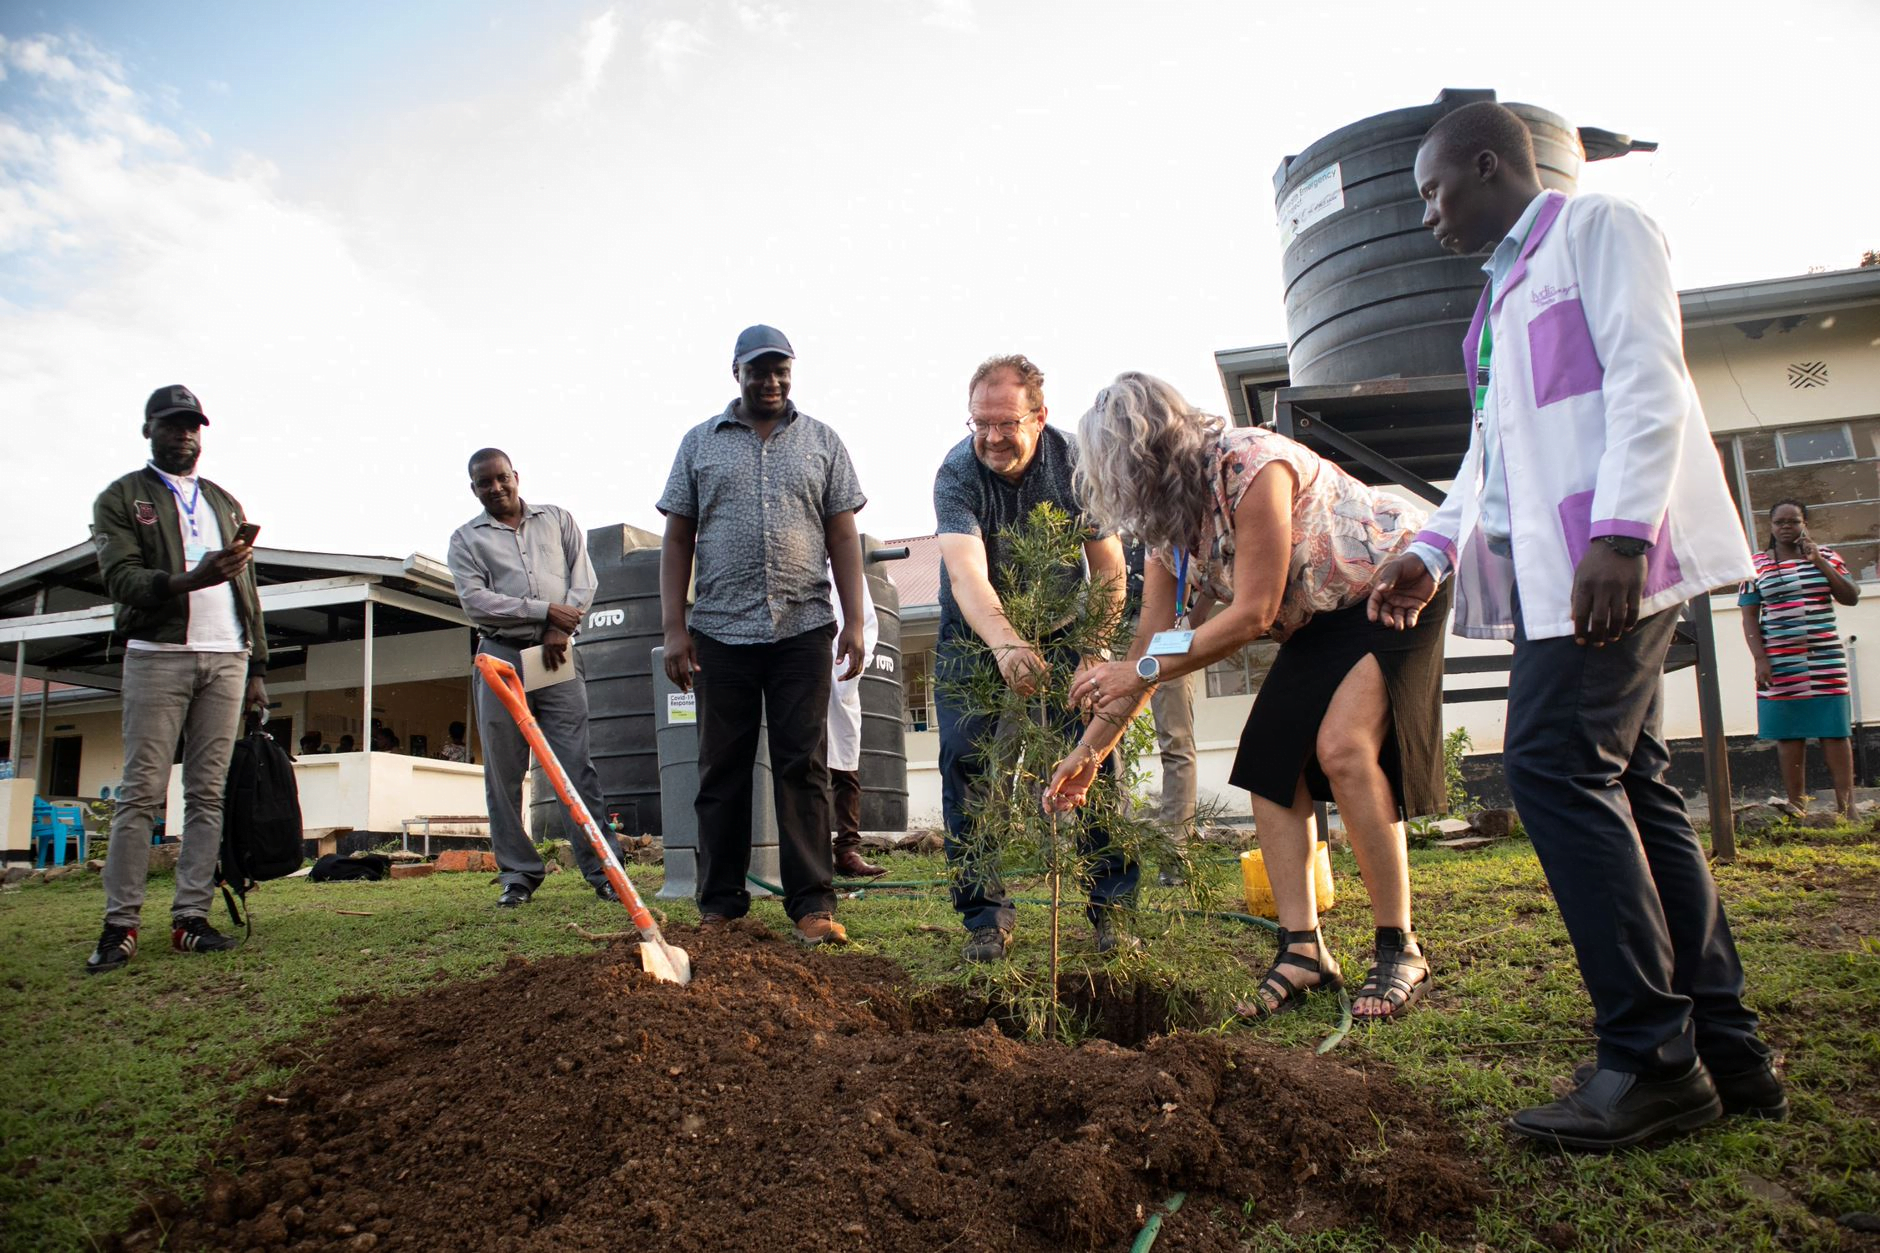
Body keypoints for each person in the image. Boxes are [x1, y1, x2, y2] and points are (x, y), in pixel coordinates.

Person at [1367, 101, 1784, 1149]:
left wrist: (1621, 534)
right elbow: (1490, 453)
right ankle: (1725, 1048)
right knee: (1633, 785)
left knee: (1552, 765)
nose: (1426, 216)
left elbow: (1649, 377)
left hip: (1604, 567)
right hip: (1562, 577)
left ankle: (1651, 1057)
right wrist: (1432, 549)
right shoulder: (1497, 298)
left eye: (1432, 192)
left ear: (1486, 164)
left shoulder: (1598, 229)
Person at [1045, 373, 1448, 1023]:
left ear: (1153, 452)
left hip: (1393, 582)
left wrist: (1138, 668)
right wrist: (1089, 753)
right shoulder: (1168, 529)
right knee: (1267, 760)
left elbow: (1254, 612)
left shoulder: (1252, 466)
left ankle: (1399, 946)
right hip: (1314, 616)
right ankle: (1303, 950)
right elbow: (1152, 647)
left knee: (1343, 748)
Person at [658, 325, 867, 947]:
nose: (770, 381)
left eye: (780, 370)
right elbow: (677, 538)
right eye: (758, 370)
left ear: (791, 373)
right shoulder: (699, 443)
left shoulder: (822, 441)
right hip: (720, 631)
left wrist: (855, 620)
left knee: (803, 766)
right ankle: (720, 905)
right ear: (737, 373)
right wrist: (674, 628)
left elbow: (843, 535)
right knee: (721, 769)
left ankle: (812, 904)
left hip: (803, 627)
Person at [935, 354, 1135, 962]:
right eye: (980, 423)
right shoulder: (956, 473)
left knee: (1098, 756)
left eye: (1007, 423)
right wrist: (1006, 643)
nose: (992, 437)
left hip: (1067, 625)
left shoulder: (1077, 463)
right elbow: (967, 575)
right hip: (977, 631)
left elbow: (1110, 568)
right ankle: (984, 917)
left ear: (1040, 416)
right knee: (965, 757)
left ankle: (1113, 909)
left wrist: (1096, 648)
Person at [85, 384, 269, 974]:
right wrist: (191, 580)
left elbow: (248, 587)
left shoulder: (222, 501)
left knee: (207, 793)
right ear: (149, 430)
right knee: (141, 792)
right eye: (171, 424)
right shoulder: (122, 497)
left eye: (192, 425)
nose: (184, 434)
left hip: (228, 656)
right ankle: (120, 925)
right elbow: (120, 578)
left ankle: (190, 918)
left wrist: (257, 665)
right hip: (157, 654)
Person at [447, 448, 628, 907]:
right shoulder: (466, 539)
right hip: (501, 657)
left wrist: (558, 628)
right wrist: (545, 611)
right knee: (504, 771)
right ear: (474, 489)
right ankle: (519, 875)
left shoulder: (558, 519)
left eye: (501, 478)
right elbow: (476, 602)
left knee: (574, 764)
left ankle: (605, 869)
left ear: (516, 476)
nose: (496, 488)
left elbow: (583, 582)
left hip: (555, 654)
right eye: (484, 483)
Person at [1739, 499, 1861, 817]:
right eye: (1779, 522)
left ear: (1804, 523)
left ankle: (1847, 809)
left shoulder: (1827, 556)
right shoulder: (1755, 565)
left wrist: (1819, 562)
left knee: (1835, 731)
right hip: (1780, 661)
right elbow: (1749, 617)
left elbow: (1850, 597)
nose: (1786, 527)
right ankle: (1797, 807)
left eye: (1793, 521)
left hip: (1825, 658)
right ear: (1770, 526)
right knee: (1788, 733)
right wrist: (1760, 659)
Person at [827, 561, 886, 878]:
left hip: (841, 676)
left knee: (845, 766)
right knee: (803, 768)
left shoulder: (844, 568)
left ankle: (847, 850)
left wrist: (852, 668)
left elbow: (867, 623)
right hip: (797, 676)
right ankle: (810, 850)